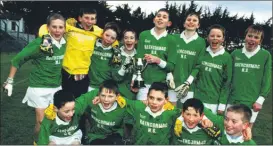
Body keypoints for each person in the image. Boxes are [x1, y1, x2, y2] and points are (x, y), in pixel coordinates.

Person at [3, 13, 66, 140]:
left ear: (65, 28)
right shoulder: (41, 43)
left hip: (56, 88)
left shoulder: (66, 43)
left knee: (53, 122)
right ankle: (39, 143)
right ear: (48, 27)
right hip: (39, 88)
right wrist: (10, 81)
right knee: (42, 123)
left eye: (60, 27)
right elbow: (17, 60)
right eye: (54, 27)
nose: (57, 30)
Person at [38, 8, 119, 98]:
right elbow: (45, 27)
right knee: (63, 103)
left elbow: (112, 37)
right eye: (86, 18)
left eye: (92, 19)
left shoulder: (98, 31)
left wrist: (116, 51)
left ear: (95, 20)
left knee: (80, 104)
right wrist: (46, 40)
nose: (89, 21)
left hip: (83, 76)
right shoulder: (70, 27)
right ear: (80, 18)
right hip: (66, 73)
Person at [228, 24, 272, 128]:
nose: (252, 39)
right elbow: (227, 77)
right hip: (233, 99)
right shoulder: (235, 54)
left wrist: (260, 100)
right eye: (250, 36)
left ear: (260, 41)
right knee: (229, 128)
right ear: (245, 37)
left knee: (245, 131)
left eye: (256, 37)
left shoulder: (265, 55)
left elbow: (267, 80)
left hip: (252, 102)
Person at [183, 24, 232, 114]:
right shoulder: (202, 53)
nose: (215, 38)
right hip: (197, 98)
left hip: (214, 102)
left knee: (209, 127)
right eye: (212, 36)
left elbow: (227, 83)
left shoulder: (227, 57)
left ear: (223, 39)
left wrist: (222, 104)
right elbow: (195, 73)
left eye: (218, 36)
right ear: (207, 38)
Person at [134, 8, 177, 101]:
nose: (160, 18)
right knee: (142, 112)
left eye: (164, 17)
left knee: (157, 113)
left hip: (160, 85)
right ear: (154, 20)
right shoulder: (144, 35)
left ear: (169, 23)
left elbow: (171, 66)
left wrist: (158, 61)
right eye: (158, 16)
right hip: (143, 83)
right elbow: (138, 60)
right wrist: (134, 78)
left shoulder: (172, 40)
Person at [167, 12, 206, 106]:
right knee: (171, 111)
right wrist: (168, 74)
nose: (191, 22)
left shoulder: (201, 42)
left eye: (194, 20)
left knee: (186, 113)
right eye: (188, 20)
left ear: (198, 25)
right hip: (172, 83)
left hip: (189, 86)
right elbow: (167, 58)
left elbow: (198, 65)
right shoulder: (174, 38)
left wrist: (188, 82)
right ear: (184, 23)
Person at [88, 22, 121, 91]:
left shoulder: (117, 51)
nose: (109, 39)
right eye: (107, 35)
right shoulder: (92, 44)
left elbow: (116, 70)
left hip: (105, 87)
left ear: (115, 40)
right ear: (102, 33)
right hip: (89, 84)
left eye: (112, 38)